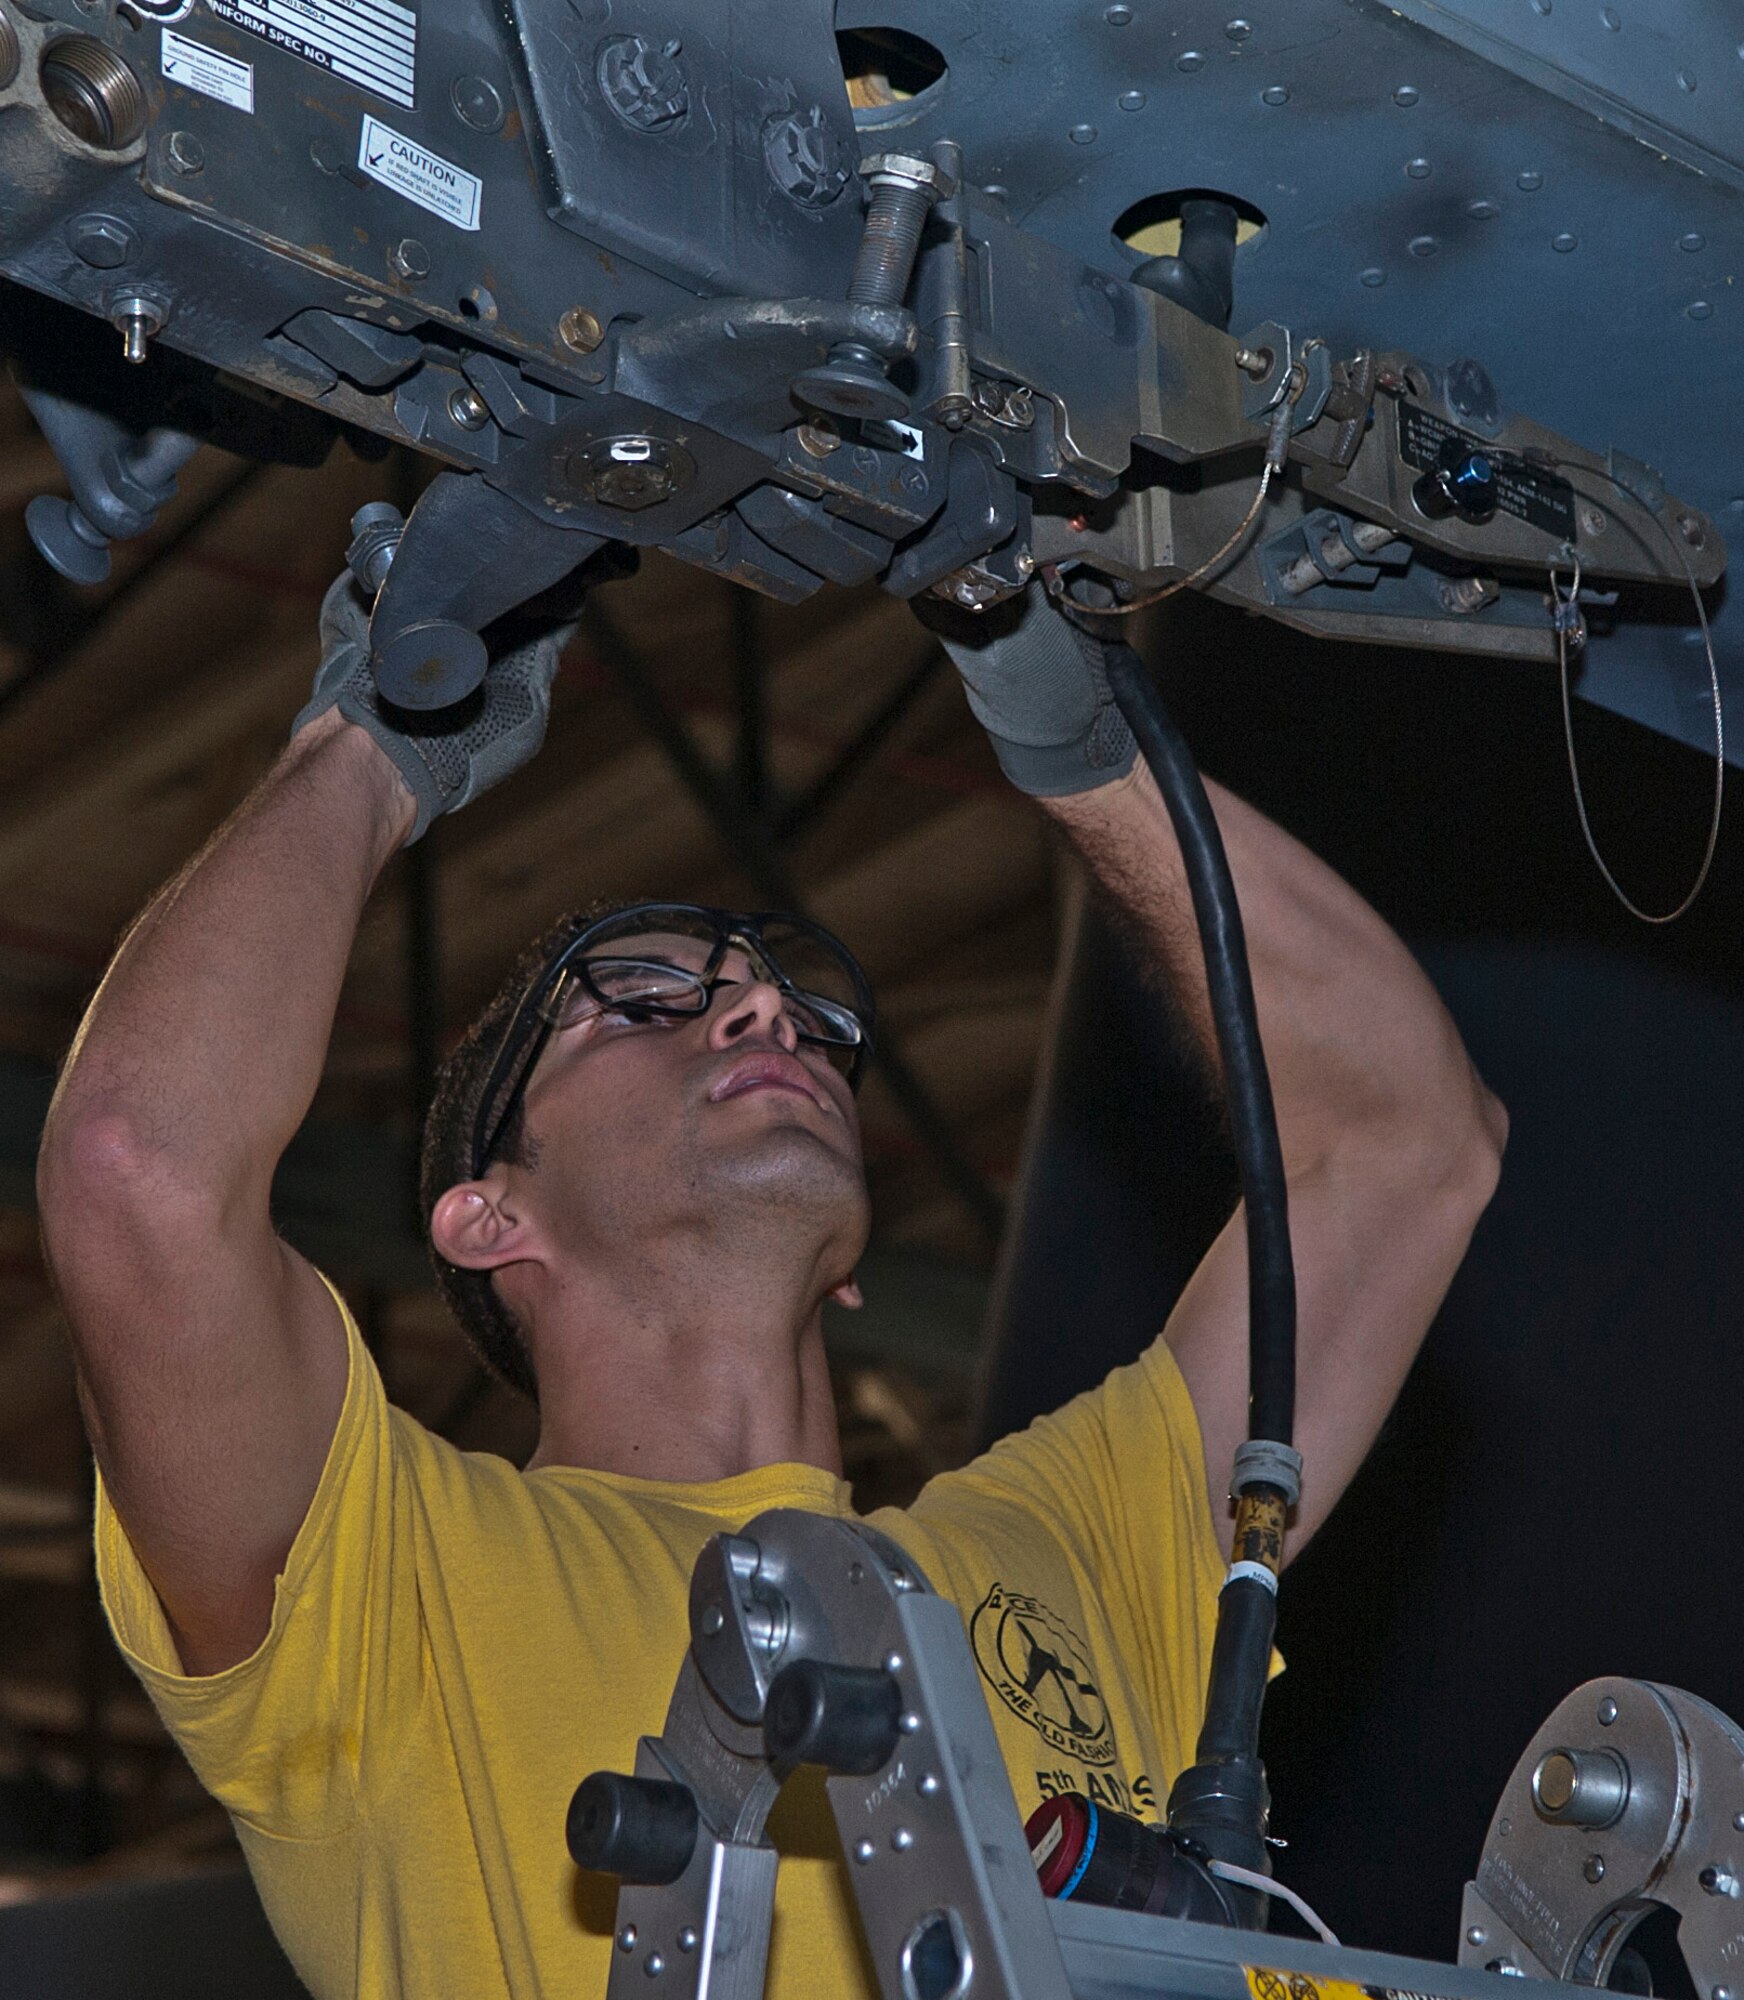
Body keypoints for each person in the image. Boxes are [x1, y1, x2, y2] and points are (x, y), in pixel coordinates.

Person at [37, 566, 1506, 2000]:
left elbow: (1410, 1146)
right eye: (639, 996)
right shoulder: (392, 1582)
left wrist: (1078, 744)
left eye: (792, 1003)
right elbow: (138, 1169)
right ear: (491, 1221)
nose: (759, 1003)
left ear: (851, 1274)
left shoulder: (1069, 1544)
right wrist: (379, 737)